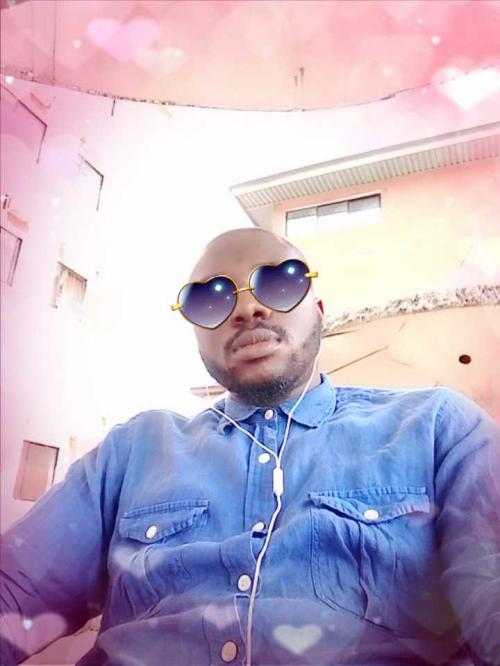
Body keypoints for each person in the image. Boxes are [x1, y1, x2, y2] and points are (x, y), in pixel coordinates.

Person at [1, 227, 499, 666]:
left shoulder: (437, 428)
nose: (246, 308)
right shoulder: (132, 452)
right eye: (210, 299)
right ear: (196, 332)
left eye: (279, 282)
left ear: (318, 309)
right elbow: (14, 592)